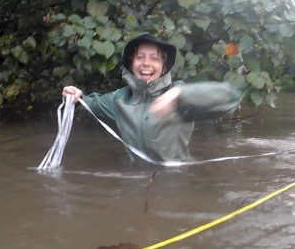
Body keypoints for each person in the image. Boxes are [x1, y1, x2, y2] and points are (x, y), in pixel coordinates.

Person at [63, 33, 241, 164]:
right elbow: (89, 103)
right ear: (132, 64)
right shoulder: (119, 99)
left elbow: (229, 98)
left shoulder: (180, 95)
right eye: (140, 57)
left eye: (154, 59)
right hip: (136, 179)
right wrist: (76, 97)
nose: (146, 63)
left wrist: (180, 95)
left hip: (175, 177)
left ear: (163, 67)